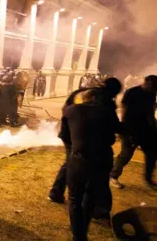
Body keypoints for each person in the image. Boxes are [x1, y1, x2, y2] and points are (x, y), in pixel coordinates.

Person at [48, 77, 122, 220]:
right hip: (84, 139)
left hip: (72, 134)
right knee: (96, 173)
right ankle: (99, 208)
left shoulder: (81, 92)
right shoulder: (104, 100)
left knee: (71, 162)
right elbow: (112, 124)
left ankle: (56, 193)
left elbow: (66, 110)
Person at [61, 89, 120, 241]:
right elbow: (114, 136)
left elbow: (65, 136)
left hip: (79, 159)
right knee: (90, 196)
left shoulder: (71, 110)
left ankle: (78, 235)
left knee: (74, 198)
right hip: (102, 159)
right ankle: (83, 230)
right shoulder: (107, 112)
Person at [110, 75, 157, 189]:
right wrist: (126, 129)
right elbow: (124, 110)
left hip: (146, 129)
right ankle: (113, 176)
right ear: (146, 83)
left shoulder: (151, 93)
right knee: (126, 154)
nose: (154, 89)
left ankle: (148, 179)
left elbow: (149, 111)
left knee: (152, 153)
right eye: (153, 86)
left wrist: (154, 126)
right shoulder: (132, 92)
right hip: (130, 128)